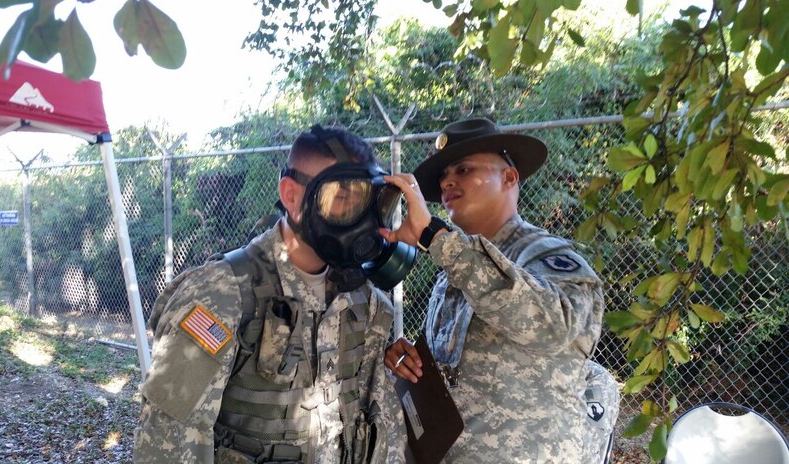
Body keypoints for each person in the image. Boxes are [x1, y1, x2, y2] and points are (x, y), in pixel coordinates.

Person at [134, 125, 413, 463]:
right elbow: (169, 438)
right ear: (291, 195)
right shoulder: (221, 294)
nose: (362, 220)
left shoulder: (362, 301)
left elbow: (377, 425)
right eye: (343, 198)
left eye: (368, 201)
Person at [380, 118, 605, 462]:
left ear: (509, 178)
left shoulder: (547, 256)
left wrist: (434, 237)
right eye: (442, 176)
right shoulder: (453, 270)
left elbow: (551, 326)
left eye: (464, 169)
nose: (447, 182)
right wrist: (412, 365)